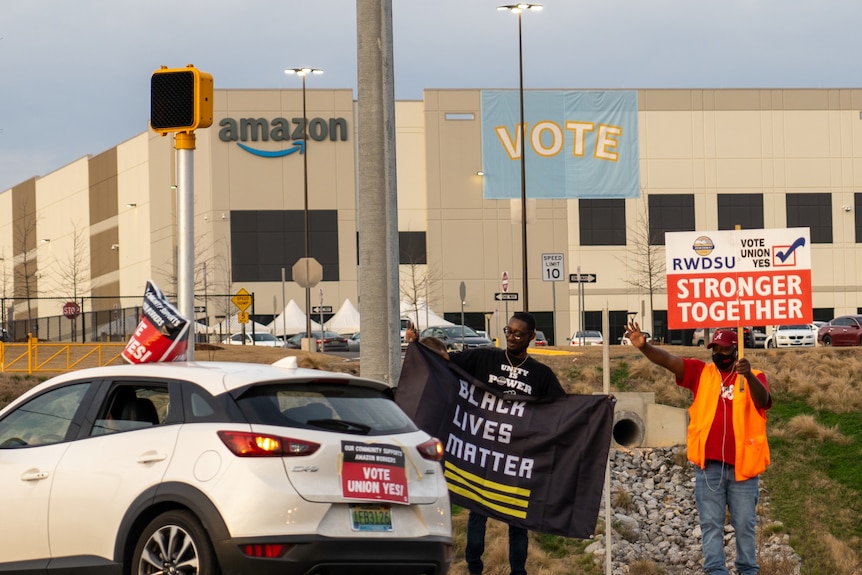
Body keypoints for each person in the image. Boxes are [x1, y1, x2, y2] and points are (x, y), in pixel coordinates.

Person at [407, 311, 566, 575]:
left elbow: (562, 409)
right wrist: (416, 345)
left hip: (517, 460)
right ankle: (474, 569)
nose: (511, 337)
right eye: (508, 331)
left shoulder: (541, 375)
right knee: (477, 514)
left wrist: (597, 407)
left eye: (518, 333)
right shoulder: (486, 357)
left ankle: (518, 572)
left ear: (531, 336)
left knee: (518, 525)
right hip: (482, 454)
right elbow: (446, 361)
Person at [624, 322, 771, 575]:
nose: (719, 354)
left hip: (744, 469)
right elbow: (669, 360)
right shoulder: (702, 373)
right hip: (709, 468)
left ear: (737, 351)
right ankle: (715, 571)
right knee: (710, 524)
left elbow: (765, 401)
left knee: (745, 525)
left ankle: (748, 570)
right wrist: (645, 346)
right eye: (715, 349)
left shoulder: (754, 376)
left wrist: (746, 375)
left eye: (724, 350)